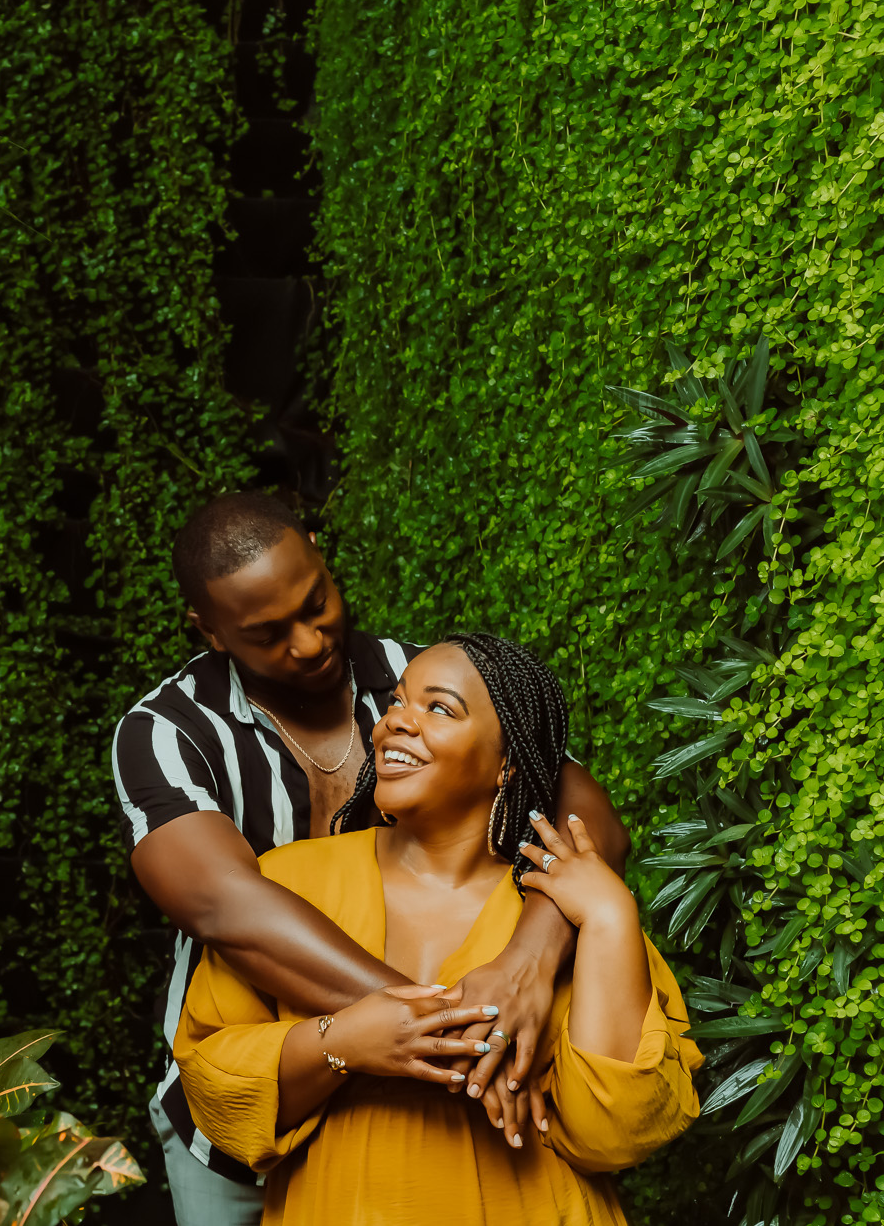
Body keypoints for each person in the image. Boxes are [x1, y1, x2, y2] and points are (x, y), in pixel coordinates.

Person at [112, 494, 633, 1225]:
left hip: (454, 1141)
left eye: (316, 603)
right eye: (267, 634)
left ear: (321, 553)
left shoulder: (415, 680)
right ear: (209, 629)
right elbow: (226, 906)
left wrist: (529, 956)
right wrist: (460, 1039)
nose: (308, 640)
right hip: (248, 1113)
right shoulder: (168, 731)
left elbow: (589, 817)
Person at [173, 634, 700, 1224]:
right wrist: (342, 1044)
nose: (397, 722)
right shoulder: (290, 881)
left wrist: (609, 916)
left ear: (506, 764)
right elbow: (214, 1091)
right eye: (397, 702)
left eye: (439, 708)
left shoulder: (564, 913)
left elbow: (616, 1133)